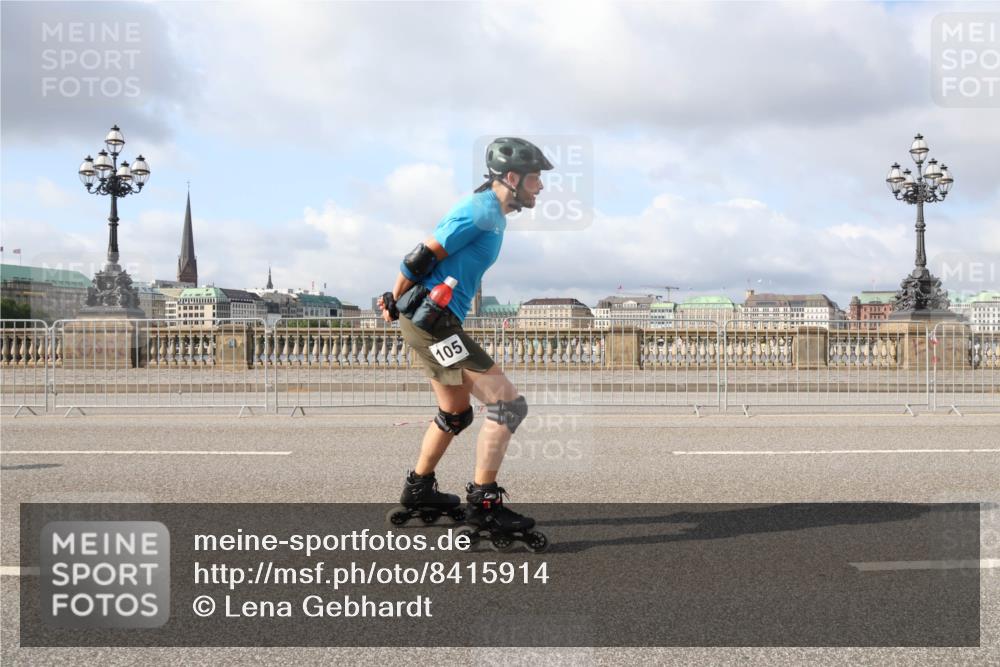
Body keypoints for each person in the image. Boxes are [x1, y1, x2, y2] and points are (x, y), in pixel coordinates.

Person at [379, 137, 551, 550]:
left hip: (433, 321)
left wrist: (399, 301)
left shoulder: (493, 212)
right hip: (433, 322)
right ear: (512, 177)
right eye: (535, 180)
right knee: (508, 405)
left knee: (456, 413)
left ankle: (419, 489)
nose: (540, 188)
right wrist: (394, 296)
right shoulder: (481, 211)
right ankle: (484, 503)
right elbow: (422, 256)